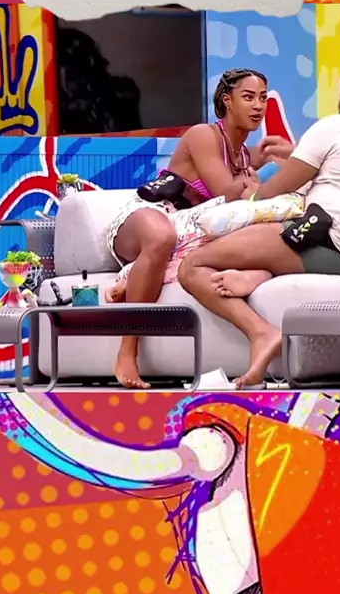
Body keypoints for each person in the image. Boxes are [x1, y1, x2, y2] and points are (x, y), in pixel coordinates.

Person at [178, 50, 340, 388]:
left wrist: (254, 191)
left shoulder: (337, 126)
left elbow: (271, 193)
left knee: (192, 265)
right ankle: (258, 273)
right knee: (258, 245)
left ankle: (261, 333)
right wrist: (293, 158)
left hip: (325, 242)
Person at [107, 68, 271, 389]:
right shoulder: (203, 135)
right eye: (249, 97)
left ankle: (134, 277)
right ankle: (127, 351)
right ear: (227, 100)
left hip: (187, 232)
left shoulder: (243, 155)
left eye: (263, 98)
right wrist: (253, 183)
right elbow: (225, 192)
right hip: (151, 214)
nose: (258, 106)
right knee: (161, 237)